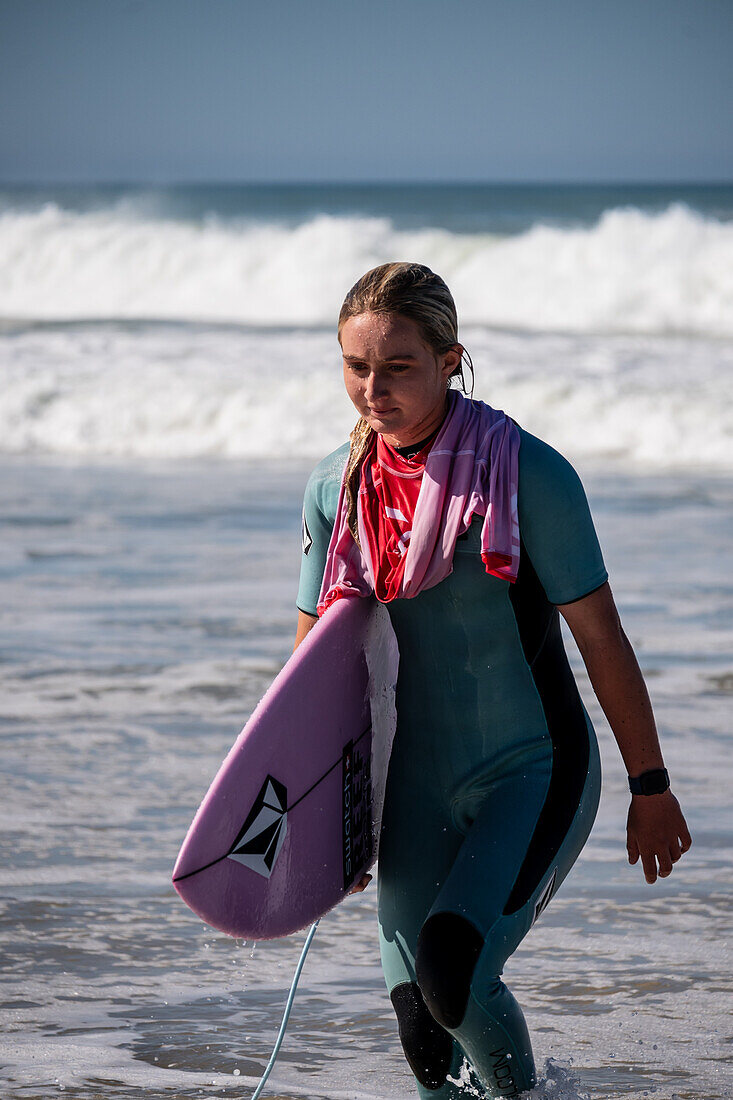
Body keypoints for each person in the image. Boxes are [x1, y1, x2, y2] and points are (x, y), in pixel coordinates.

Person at [294, 262, 691, 1099]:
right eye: (354, 366)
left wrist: (648, 785)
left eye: (397, 366)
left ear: (449, 360)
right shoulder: (337, 486)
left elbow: (602, 640)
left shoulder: (529, 475)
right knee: (419, 1026)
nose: (372, 389)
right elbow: (314, 668)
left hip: (532, 770)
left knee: (453, 976)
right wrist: (329, 813)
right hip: (414, 784)